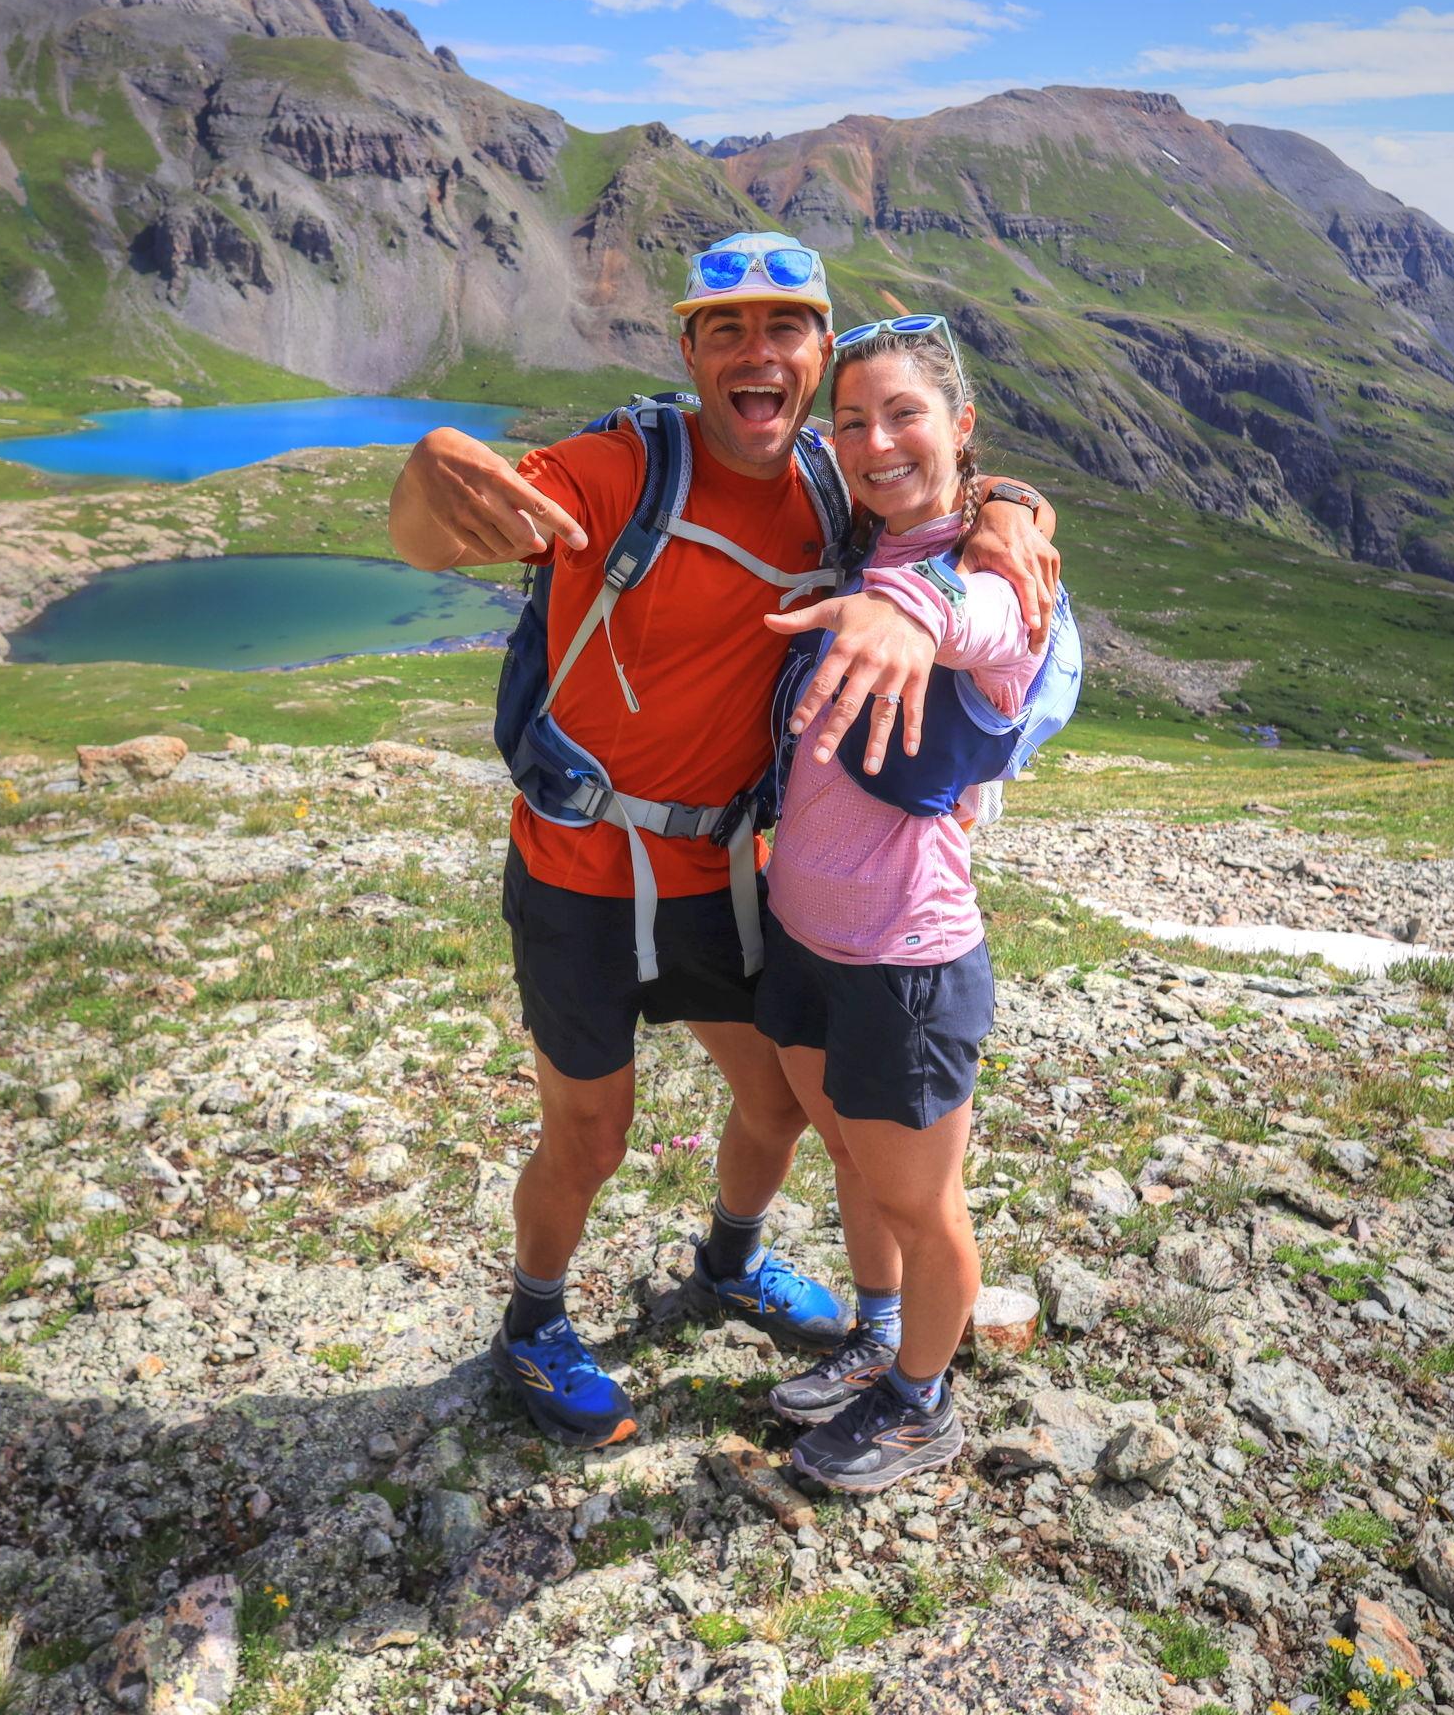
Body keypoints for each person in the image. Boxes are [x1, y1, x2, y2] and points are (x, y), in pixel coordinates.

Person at [386, 234, 1059, 1449]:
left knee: (777, 1100)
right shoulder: (620, 465)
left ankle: (728, 1263)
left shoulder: (828, 478)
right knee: (587, 1133)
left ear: (815, 350)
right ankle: (532, 1321)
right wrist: (429, 473)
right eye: (726, 329)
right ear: (688, 349)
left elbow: (947, 486)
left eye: (785, 327)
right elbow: (441, 538)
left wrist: (1007, 508)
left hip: (724, 872)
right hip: (577, 870)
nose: (758, 352)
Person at [754, 314, 1046, 1492]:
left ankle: (922, 1402)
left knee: (921, 1202)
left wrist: (919, 604)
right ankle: (880, 1338)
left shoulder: (994, 578)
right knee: (852, 1157)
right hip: (807, 937)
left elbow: (985, 624)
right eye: (853, 419)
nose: (875, 441)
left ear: (959, 426)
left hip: (904, 957)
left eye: (904, 414)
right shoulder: (860, 547)